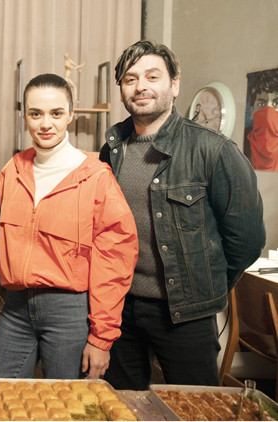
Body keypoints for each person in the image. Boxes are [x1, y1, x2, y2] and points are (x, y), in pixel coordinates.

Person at [100, 40, 266, 390]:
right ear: (122, 90)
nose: (141, 86)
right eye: (130, 79)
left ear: (174, 84)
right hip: (120, 307)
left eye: (152, 76)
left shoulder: (214, 150)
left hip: (185, 315)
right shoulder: (111, 150)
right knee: (122, 406)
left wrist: (203, 286)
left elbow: (247, 240)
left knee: (194, 406)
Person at [0, 74, 138, 380]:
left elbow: (115, 259)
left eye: (56, 113)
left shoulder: (96, 177)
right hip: (15, 309)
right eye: (35, 114)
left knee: (67, 403)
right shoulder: (13, 170)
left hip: (69, 313)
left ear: (70, 115)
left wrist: (102, 337)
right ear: (25, 116)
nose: (45, 124)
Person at [245, 68, 278, 171]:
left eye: (276, 103)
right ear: (252, 111)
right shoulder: (240, 149)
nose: (268, 111)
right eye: (261, 104)